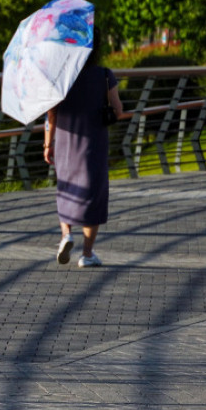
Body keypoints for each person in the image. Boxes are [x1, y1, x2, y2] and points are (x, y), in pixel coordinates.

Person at [42, 29, 124, 268]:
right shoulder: (105, 75)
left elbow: (51, 115)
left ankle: (66, 235)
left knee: (66, 189)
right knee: (93, 195)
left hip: (65, 142)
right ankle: (87, 254)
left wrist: (48, 143)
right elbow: (118, 110)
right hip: (93, 143)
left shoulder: (61, 76)